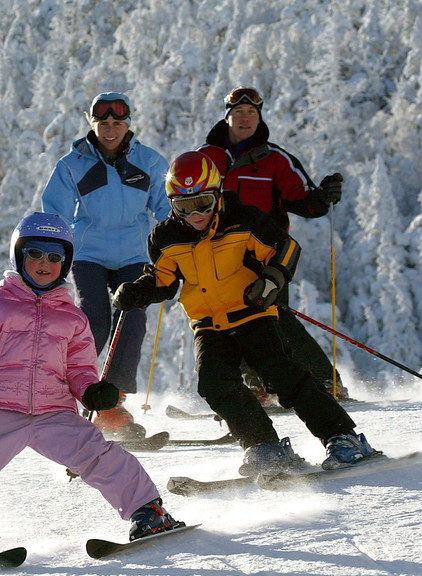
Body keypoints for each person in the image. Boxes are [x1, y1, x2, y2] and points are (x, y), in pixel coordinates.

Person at [0, 212, 181, 554]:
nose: (44, 263)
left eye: (55, 257)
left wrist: (92, 391)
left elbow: (79, 368)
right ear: (19, 256)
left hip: (54, 413)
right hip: (0, 409)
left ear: (65, 264)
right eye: (35, 253)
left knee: (99, 455)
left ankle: (148, 511)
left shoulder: (72, 317)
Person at [113, 151, 380, 477]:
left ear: (217, 193)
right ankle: (264, 447)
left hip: (252, 315)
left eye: (204, 203)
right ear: (172, 204)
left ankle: (344, 438)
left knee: (283, 377)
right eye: (184, 207)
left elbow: (286, 247)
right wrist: (138, 291)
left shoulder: (243, 219)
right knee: (214, 384)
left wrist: (272, 279)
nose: (195, 214)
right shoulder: (166, 238)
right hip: (208, 325)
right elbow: (163, 282)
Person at [199, 85, 348, 402]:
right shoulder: (206, 158)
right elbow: (186, 197)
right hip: (220, 256)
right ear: (227, 117)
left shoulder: (276, 159)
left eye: (251, 112)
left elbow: (305, 203)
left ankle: (325, 382)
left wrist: (322, 197)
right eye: (238, 112)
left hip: (267, 255)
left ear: (259, 117)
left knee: (275, 318)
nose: (245, 119)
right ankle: (259, 387)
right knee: (229, 320)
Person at [41, 92, 172, 439]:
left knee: (133, 316)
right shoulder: (72, 165)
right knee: (94, 320)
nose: (110, 129)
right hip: (89, 254)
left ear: (128, 124)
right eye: (103, 123)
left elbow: (166, 209)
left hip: (134, 255)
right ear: (92, 123)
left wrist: (171, 247)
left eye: (117, 123)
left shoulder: (150, 162)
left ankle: (111, 404)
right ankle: (62, 391)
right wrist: (52, 254)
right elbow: (55, 213)